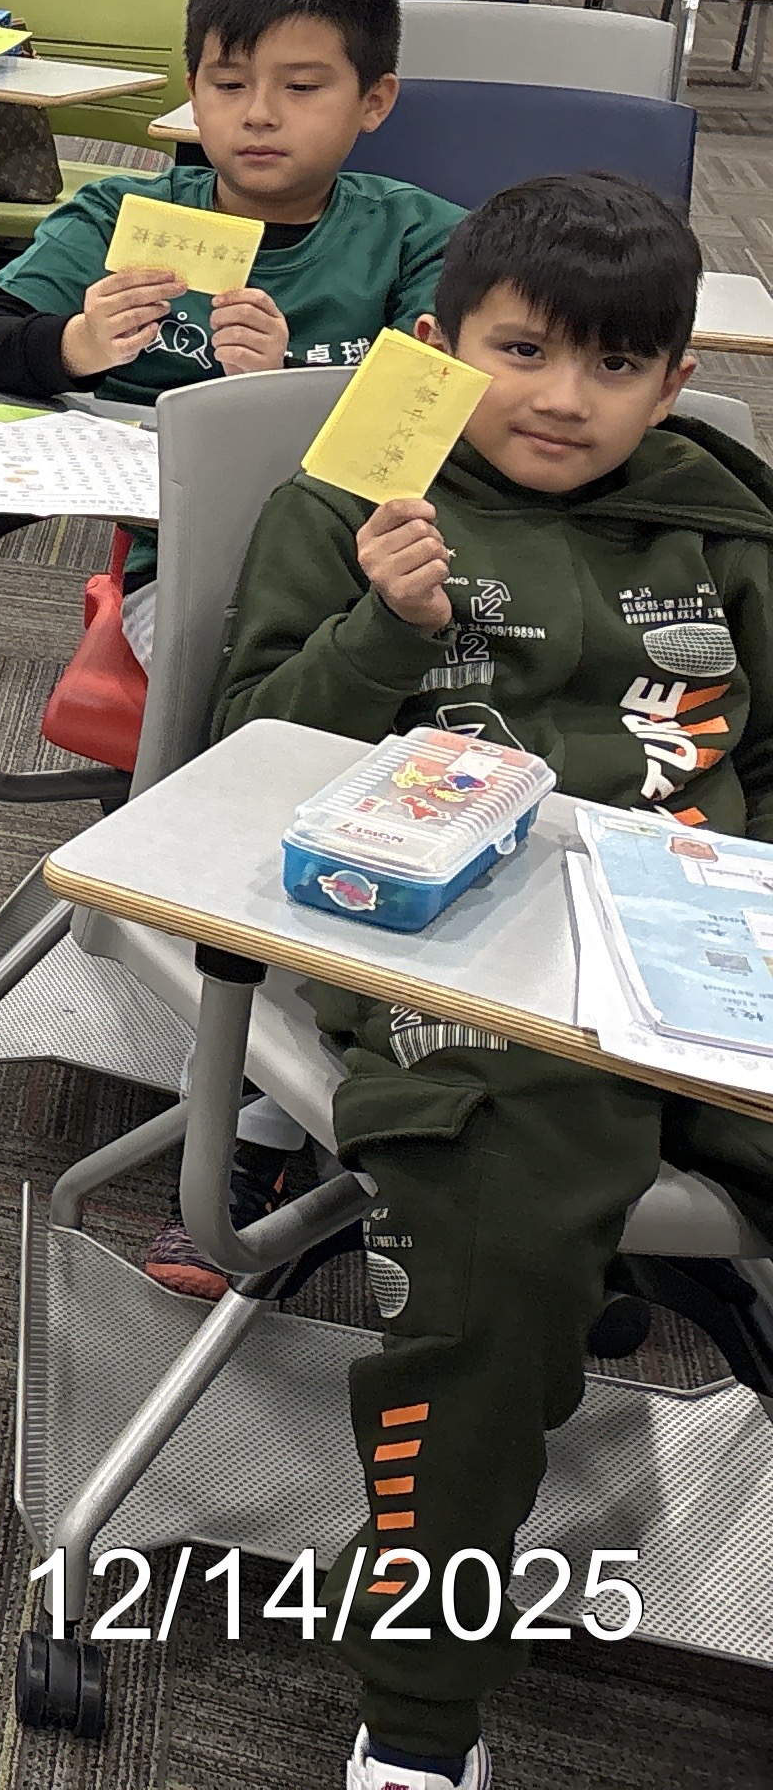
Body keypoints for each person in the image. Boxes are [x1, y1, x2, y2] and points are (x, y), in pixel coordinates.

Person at [208, 173, 773, 1790]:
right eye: (521, 349)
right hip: (448, 946)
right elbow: (238, 759)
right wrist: (388, 629)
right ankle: (418, 1714)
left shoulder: (724, 525)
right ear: (437, 343)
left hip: (699, 941)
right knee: (499, 1252)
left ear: (673, 379)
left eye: (614, 364)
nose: (562, 396)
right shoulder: (358, 501)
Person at [0, 0, 462, 628]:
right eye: (229, 85)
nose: (259, 114)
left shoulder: (423, 236)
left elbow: (425, 429)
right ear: (193, 92)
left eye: (302, 88)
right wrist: (80, 343)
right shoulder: (120, 216)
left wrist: (278, 386)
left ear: (374, 101)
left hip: (372, 554)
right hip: (190, 563)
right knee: (230, 666)